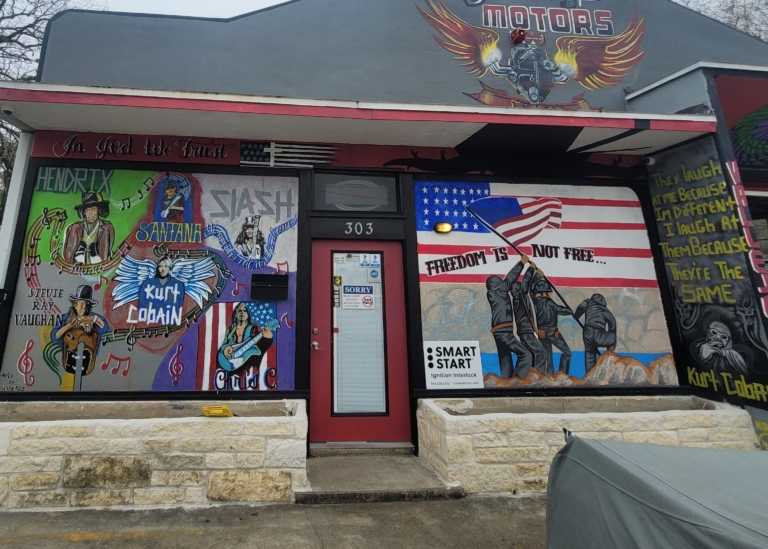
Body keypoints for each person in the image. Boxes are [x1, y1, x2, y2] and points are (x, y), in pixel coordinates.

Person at [486, 256, 546, 378]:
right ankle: (519, 379)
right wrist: (523, 264)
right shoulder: (499, 291)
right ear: (496, 284)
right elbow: (513, 281)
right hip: (504, 331)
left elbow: (519, 284)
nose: (504, 283)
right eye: (500, 281)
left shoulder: (496, 294)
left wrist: (532, 271)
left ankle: (507, 379)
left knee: (505, 357)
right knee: (526, 355)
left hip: (499, 331)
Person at [51, 285, 110, 391]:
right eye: (82, 303)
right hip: (68, 361)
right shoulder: (64, 318)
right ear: (75, 304)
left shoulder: (94, 318)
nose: (84, 307)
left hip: (88, 365)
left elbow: (106, 329)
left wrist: (93, 320)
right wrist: (69, 326)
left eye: (87, 304)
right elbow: (55, 337)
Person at [218, 303, 273, 388]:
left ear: (248, 314)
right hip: (230, 365)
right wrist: (225, 349)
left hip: (248, 367)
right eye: (239, 311)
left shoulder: (254, 329)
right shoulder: (230, 329)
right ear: (236, 314)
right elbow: (224, 345)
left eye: (245, 311)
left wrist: (268, 335)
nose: (242, 313)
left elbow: (264, 344)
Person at [531, 277, 572, 375]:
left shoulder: (535, 303)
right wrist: (569, 309)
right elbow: (563, 310)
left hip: (541, 333)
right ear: (545, 292)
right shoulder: (549, 302)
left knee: (548, 357)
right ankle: (562, 374)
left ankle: (549, 375)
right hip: (552, 333)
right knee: (567, 353)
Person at [63, 192, 115, 265]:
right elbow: (68, 256)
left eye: (93, 209)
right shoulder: (75, 228)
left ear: (98, 210)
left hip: (98, 267)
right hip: (77, 267)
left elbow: (106, 255)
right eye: (88, 209)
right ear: (84, 212)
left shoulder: (106, 227)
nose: (91, 213)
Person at [574, 293, 617, 372]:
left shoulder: (587, 302)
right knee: (613, 339)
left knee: (589, 353)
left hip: (587, 332)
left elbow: (580, 308)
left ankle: (589, 373)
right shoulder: (604, 309)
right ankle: (608, 358)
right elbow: (613, 323)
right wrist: (611, 334)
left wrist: (576, 316)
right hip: (599, 333)